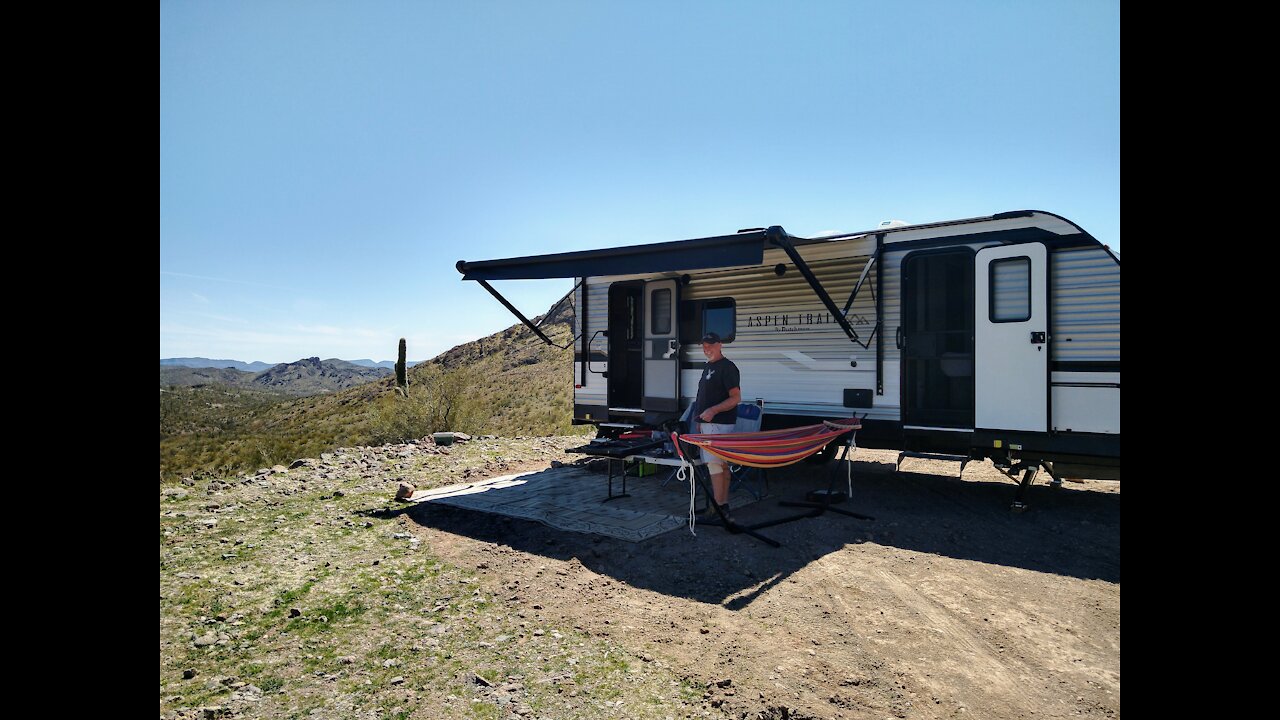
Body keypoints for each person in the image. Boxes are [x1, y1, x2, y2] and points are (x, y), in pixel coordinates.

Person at [693, 331, 741, 517]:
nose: (707, 349)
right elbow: (702, 397)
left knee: (715, 465)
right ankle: (722, 505)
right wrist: (698, 418)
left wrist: (713, 411)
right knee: (720, 465)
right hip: (707, 424)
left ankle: (718, 507)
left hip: (720, 423)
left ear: (720, 345)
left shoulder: (728, 368)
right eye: (704, 346)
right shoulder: (708, 367)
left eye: (711, 345)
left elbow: (735, 398)